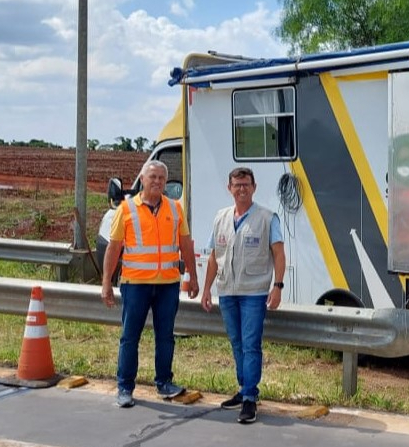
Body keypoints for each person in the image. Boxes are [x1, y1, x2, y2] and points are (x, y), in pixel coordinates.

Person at [101, 160, 198, 408]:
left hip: (167, 285)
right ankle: (125, 387)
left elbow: (186, 244)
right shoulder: (126, 209)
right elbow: (113, 248)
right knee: (129, 337)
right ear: (142, 180)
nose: (157, 182)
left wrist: (193, 276)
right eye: (152, 177)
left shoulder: (175, 209)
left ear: (166, 182)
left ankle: (164, 383)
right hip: (136, 285)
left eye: (162, 178)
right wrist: (106, 283)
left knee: (165, 337)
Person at [201, 167, 285, 424]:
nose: (241, 189)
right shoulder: (221, 218)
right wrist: (207, 289)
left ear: (254, 187)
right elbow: (215, 256)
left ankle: (250, 397)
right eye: (236, 185)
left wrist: (277, 286)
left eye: (246, 184)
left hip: (254, 292)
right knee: (237, 343)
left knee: (250, 344)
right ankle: (243, 388)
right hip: (227, 291)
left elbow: (279, 254)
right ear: (229, 188)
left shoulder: (267, 218)